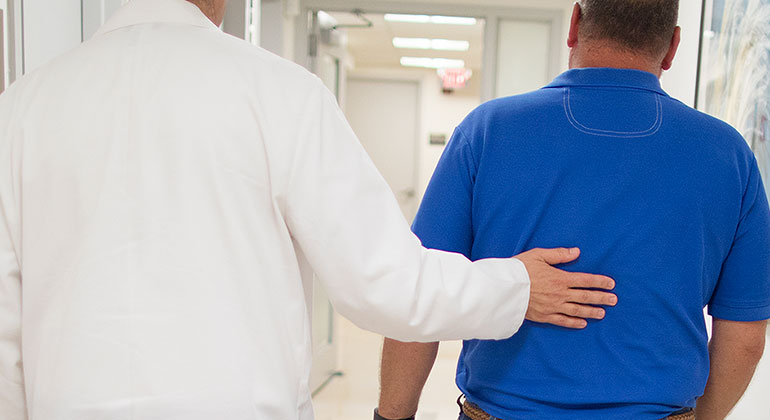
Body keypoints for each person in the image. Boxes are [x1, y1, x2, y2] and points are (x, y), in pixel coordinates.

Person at [0, 0, 620, 419]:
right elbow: (386, 285)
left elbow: (7, 341)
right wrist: (516, 286)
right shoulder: (276, 92)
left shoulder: (21, 110)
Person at [377, 1, 770, 420]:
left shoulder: (488, 131)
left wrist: (391, 416)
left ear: (575, 23)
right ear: (673, 47)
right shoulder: (728, 155)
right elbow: (744, 332)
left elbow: (419, 296)